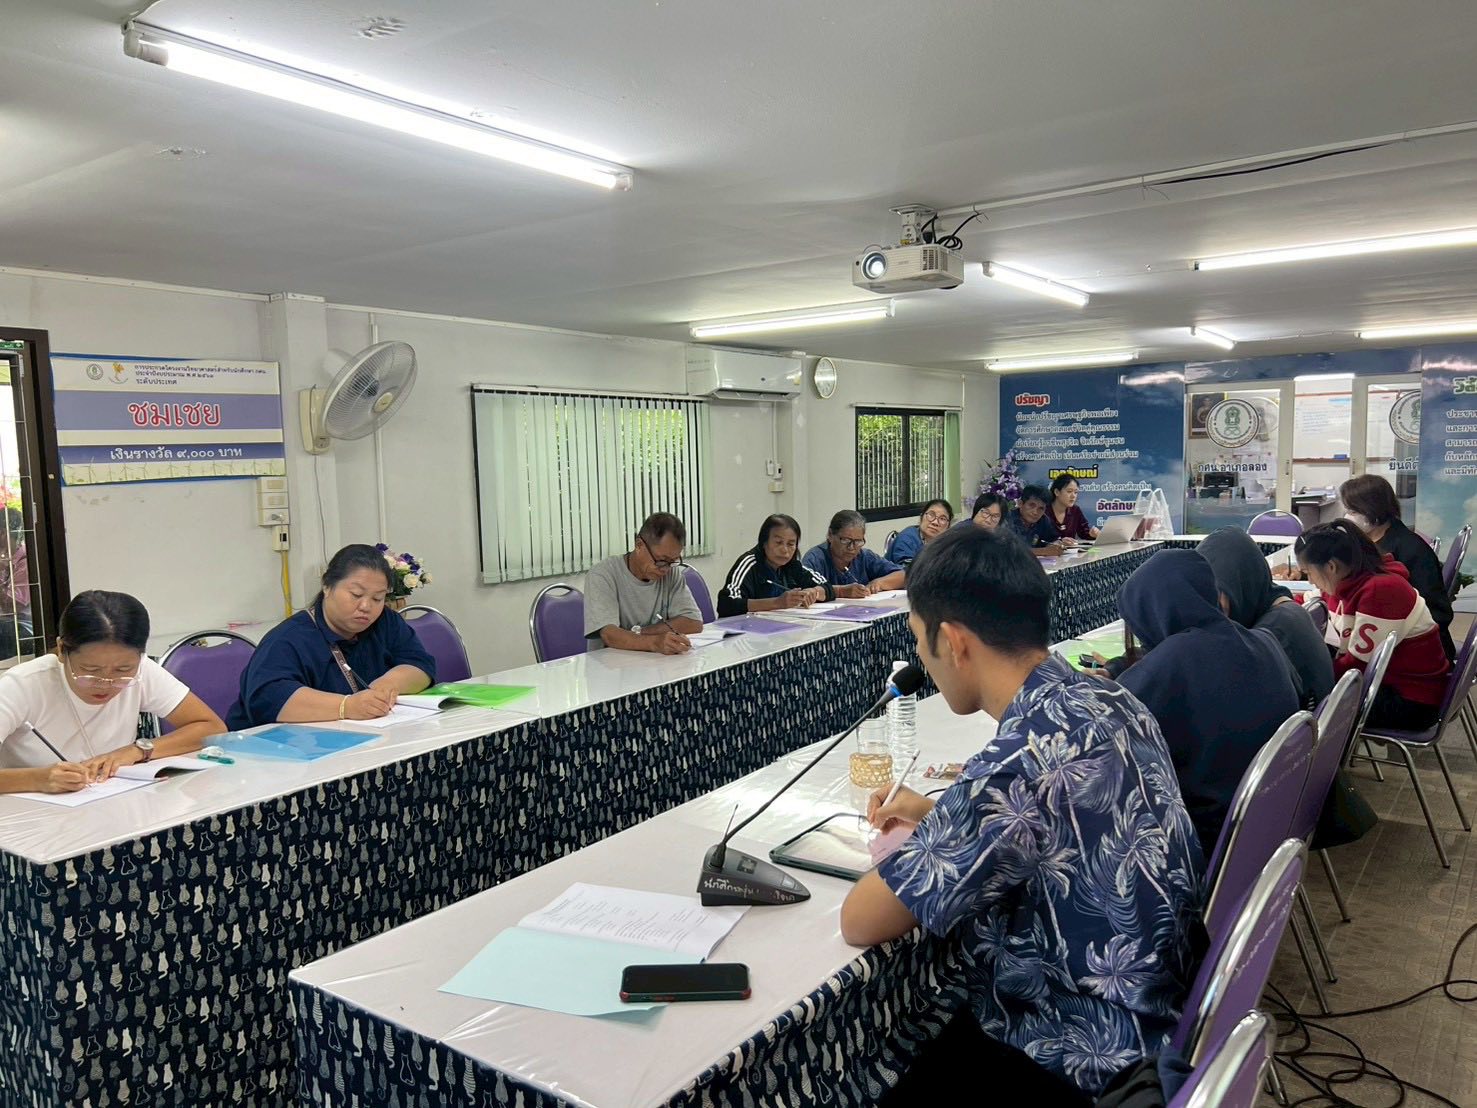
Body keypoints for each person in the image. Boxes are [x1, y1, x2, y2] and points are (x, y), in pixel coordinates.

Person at [840, 528, 1201, 1103]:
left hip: (1080, 1054)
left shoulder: (1013, 769)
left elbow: (860, 920)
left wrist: (941, 826)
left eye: (919, 640)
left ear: (953, 642)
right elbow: (1053, 825)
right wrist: (940, 812)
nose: (922, 661)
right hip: (1162, 1013)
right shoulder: (1112, 698)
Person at [1114, 549, 1300, 852]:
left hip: (1208, 835)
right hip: (1274, 815)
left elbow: (1109, 728)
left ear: (1150, 612)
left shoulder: (1169, 665)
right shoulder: (1264, 640)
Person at [0, 590, 225, 794]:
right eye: (90, 670)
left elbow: (212, 727)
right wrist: (37, 779)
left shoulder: (143, 671)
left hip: (111, 804)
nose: (105, 683)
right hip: (34, 815)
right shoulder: (22, 685)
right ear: (61, 650)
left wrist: (137, 751)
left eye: (123, 671)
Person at [228, 544, 435, 728]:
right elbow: (269, 699)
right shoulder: (289, 639)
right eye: (356, 594)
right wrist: (346, 706)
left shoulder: (385, 621)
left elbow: (420, 664)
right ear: (327, 586)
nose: (366, 606)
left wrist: (385, 687)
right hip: (276, 747)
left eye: (377, 598)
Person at [1295, 520, 1450, 730]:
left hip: (1412, 699)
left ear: (1331, 566)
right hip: (1388, 683)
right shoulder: (1348, 579)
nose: (1310, 581)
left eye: (1308, 572)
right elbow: (1308, 598)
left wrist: (1308, 677)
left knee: (1303, 703)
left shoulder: (1382, 591)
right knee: (1304, 687)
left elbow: (1357, 668)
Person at [1197, 527, 1334, 707]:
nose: (1212, 609)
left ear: (1242, 583)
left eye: (1219, 594)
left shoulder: (1271, 636)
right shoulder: (1286, 610)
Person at [1339, 474, 1456, 659]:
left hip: (1417, 647)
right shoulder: (1367, 542)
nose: (1348, 517)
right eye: (1347, 510)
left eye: (1353, 511)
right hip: (1382, 632)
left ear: (1373, 510)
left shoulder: (1411, 550)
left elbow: (1438, 614)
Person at [584, 513, 703, 654]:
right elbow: (609, 635)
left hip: (657, 663)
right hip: (611, 663)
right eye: (661, 560)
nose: (665, 569)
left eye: (673, 561)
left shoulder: (671, 572)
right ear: (639, 545)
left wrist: (639, 633)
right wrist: (655, 642)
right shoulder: (603, 574)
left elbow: (693, 622)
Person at [717, 514, 834, 616]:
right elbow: (726, 604)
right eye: (778, 542)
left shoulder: (792, 565)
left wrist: (814, 592)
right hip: (747, 630)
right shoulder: (749, 563)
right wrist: (777, 603)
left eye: (791, 544)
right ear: (764, 542)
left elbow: (827, 587)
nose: (785, 550)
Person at [800, 510, 904, 597]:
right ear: (830, 535)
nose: (851, 548)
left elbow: (905, 576)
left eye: (858, 541)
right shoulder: (815, 559)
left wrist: (879, 583)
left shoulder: (864, 557)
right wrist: (841, 592)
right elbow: (805, 591)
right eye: (845, 540)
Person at [0, 508, 31, 661]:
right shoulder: (7, 559)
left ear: (3, 533)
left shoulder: (25, 563)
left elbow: (11, 606)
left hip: (23, 627)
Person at [884, 499, 953, 566]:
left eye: (942, 519)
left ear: (948, 527)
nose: (935, 522)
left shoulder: (948, 544)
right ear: (921, 517)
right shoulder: (907, 538)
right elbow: (908, 571)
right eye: (931, 515)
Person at [1006, 485, 1065, 556]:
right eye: (1032, 505)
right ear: (1020, 503)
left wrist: (1055, 545)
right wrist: (1043, 551)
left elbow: (1054, 539)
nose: (1035, 512)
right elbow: (1007, 550)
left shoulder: (1043, 520)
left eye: (1041, 508)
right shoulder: (1006, 520)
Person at [1046, 475, 1098, 542]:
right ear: (1057, 492)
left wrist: (1093, 534)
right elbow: (1038, 539)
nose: (1073, 496)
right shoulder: (1043, 510)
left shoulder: (1075, 510)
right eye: (1069, 491)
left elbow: (1084, 533)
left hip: (1071, 549)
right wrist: (1059, 541)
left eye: (1075, 492)